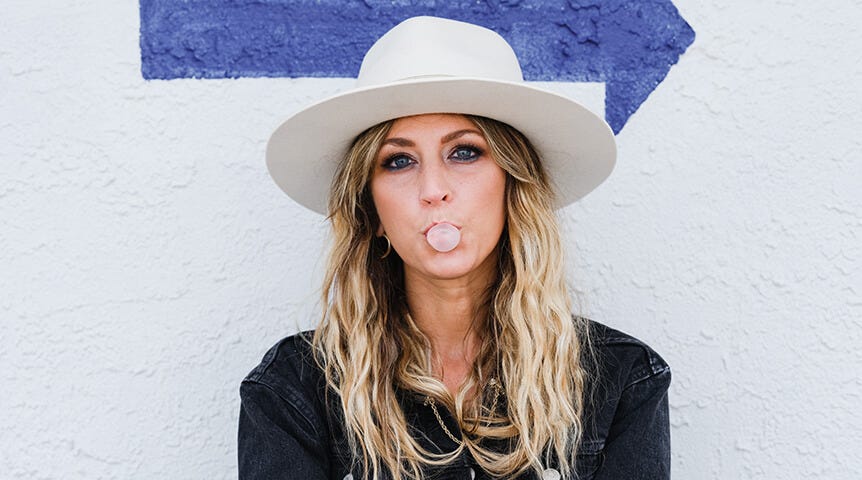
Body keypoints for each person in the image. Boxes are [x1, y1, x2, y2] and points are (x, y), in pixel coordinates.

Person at [238, 16, 670, 480]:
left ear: (513, 187)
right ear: (373, 214)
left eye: (464, 152)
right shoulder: (294, 390)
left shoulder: (623, 380)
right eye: (399, 161)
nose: (433, 189)